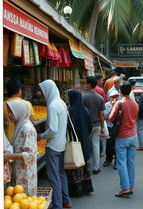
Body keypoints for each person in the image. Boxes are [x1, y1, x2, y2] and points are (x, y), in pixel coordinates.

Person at [38, 79, 72, 209]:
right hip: (61, 144)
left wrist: (41, 136)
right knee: (61, 174)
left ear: (48, 90)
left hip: (53, 146)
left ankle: (58, 205)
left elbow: (52, 129)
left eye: (42, 91)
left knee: (53, 177)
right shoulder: (61, 103)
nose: (42, 94)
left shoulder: (52, 105)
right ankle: (66, 200)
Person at [109, 81, 139, 197]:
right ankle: (130, 186)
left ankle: (125, 188)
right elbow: (135, 118)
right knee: (131, 163)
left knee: (121, 163)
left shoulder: (119, 104)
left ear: (120, 91)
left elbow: (111, 119)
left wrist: (113, 106)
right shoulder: (135, 104)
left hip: (122, 136)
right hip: (133, 135)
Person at [4, 100, 37, 196]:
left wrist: (10, 155)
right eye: (8, 111)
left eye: (11, 112)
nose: (9, 115)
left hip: (26, 174)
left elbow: (30, 155)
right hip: (20, 171)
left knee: (25, 201)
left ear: (19, 111)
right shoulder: (20, 125)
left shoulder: (27, 128)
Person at [66, 89, 94, 197]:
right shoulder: (85, 110)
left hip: (74, 143)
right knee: (84, 164)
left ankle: (77, 190)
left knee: (75, 163)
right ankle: (86, 187)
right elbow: (90, 127)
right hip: (85, 142)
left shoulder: (70, 111)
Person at [82, 76, 105, 175]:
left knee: (85, 145)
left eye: (86, 83)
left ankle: (85, 167)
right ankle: (96, 168)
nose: (85, 85)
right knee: (95, 146)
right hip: (97, 125)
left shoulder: (83, 97)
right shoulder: (99, 98)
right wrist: (102, 127)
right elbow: (102, 114)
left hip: (86, 126)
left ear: (89, 84)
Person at [103, 90, 119, 169]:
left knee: (117, 144)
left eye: (116, 96)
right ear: (110, 97)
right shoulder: (106, 105)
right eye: (113, 97)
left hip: (117, 126)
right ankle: (108, 159)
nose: (114, 98)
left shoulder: (120, 104)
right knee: (109, 144)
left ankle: (117, 161)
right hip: (109, 126)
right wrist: (112, 107)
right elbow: (105, 116)